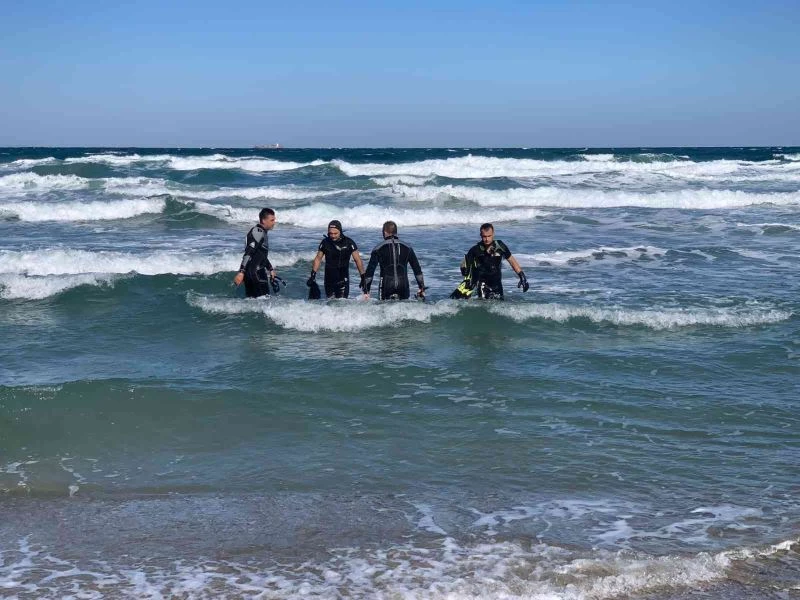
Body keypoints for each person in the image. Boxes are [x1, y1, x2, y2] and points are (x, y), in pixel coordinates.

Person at [453, 222, 529, 299]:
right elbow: (465, 267)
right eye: (484, 236)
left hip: (497, 284)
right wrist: (466, 275)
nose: (487, 239)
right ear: (480, 235)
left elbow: (512, 261)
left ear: (493, 234)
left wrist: (522, 276)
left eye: (489, 236)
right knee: (485, 307)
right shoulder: (475, 250)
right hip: (482, 285)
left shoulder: (500, 246)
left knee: (500, 307)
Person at [361, 221, 425, 300]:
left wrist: (366, 290)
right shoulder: (408, 248)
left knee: (383, 309)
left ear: (384, 232)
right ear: (396, 232)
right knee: (404, 309)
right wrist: (421, 287)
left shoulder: (378, 248)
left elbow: (370, 271)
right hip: (403, 285)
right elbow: (417, 269)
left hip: (386, 285)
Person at [307, 220, 366, 298]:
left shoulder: (349, 242)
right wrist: (313, 275)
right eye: (330, 233)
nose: (333, 236)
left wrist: (363, 277)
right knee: (331, 303)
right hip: (329, 279)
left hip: (343, 279)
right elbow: (318, 259)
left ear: (340, 231)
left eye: (335, 233)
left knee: (342, 304)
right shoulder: (325, 242)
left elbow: (357, 260)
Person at [233, 208, 278, 298]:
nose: (274, 222)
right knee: (264, 304)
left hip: (254, 273)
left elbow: (261, 255)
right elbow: (249, 252)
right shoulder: (258, 232)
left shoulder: (261, 232)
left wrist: (270, 269)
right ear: (264, 220)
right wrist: (241, 272)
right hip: (256, 274)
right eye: (272, 220)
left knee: (254, 305)